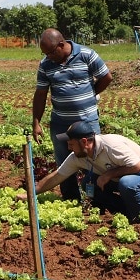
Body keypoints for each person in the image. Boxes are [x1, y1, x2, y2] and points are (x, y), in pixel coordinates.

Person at [18, 120, 140, 219]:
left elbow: (138, 166)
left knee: (127, 184)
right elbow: (58, 176)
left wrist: (108, 175)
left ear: (84, 142)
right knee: (88, 184)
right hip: (123, 176)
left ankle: (139, 219)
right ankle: (125, 211)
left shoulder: (111, 145)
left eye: (71, 144)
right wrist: (31, 193)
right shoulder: (78, 156)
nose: (69, 148)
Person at [31, 28, 112, 202]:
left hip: (87, 122)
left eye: (51, 52)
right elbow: (40, 94)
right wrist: (36, 122)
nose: (48, 56)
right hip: (61, 124)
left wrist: (90, 96)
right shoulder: (46, 64)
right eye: (44, 53)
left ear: (61, 44)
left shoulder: (86, 54)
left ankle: (98, 199)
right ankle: (71, 201)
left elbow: (106, 77)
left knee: (94, 160)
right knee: (63, 163)